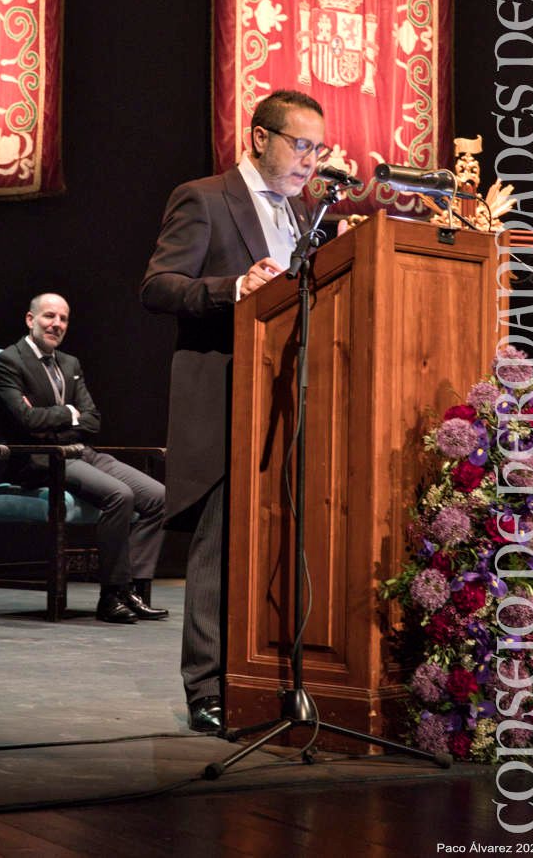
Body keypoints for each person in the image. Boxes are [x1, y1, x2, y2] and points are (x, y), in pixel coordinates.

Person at [140, 89, 329, 732]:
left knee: (281, 545)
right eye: (300, 145)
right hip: (226, 398)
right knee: (218, 551)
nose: (310, 160)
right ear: (259, 138)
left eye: (318, 149)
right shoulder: (204, 198)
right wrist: (235, 287)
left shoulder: (304, 214)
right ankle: (208, 689)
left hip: (289, 403)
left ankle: (269, 678)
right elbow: (158, 287)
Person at [0, 293, 168, 625]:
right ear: (30, 319)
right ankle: (111, 595)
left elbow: (93, 420)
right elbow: (25, 421)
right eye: (49, 316)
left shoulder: (70, 364)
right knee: (120, 495)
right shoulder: (8, 362)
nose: (56, 324)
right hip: (41, 460)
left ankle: (135, 591)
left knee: (160, 497)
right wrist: (69, 414)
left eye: (63, 319)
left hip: (81, 452)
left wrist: (55, 417)